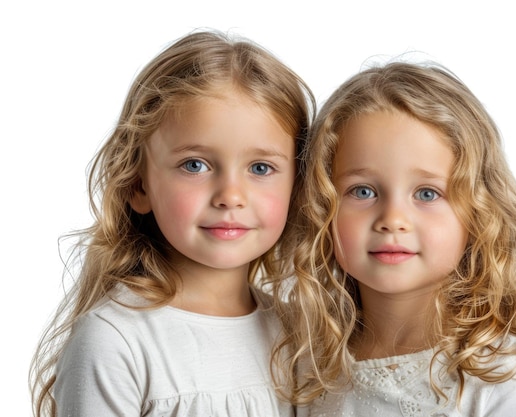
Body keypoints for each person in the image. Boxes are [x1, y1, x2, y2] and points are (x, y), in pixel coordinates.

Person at [29, 29, 314, 417]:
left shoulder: (301, 335)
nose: (230, 195)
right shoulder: (115, 341)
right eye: (195, 165)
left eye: (260, 168)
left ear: (297, 187)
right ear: (138, 184)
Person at [282, 61, 516, 416]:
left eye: (427, 194)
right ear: (321, 206)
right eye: (363, 191)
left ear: (479, 210)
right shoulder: (308, 358)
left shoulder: (505, 376)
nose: (393, 220)